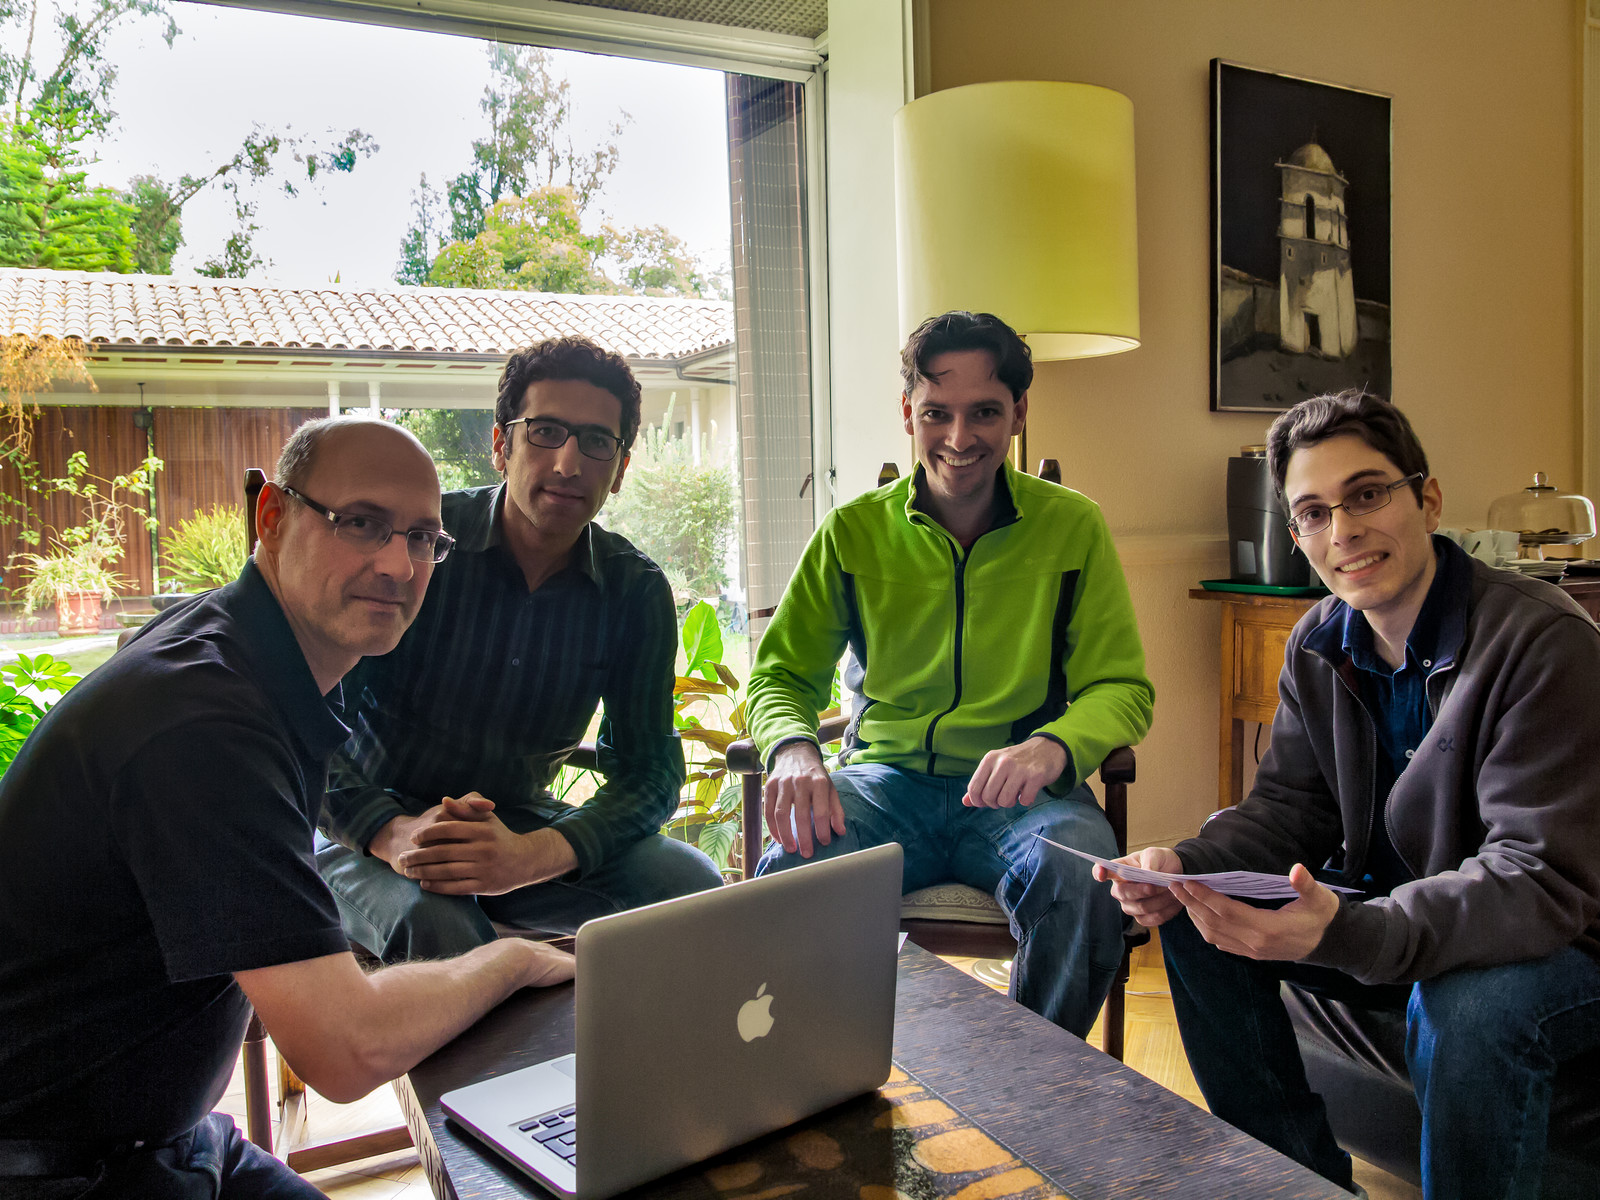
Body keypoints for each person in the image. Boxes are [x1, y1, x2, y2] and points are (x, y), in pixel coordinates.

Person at [0, 417, 574, 1200]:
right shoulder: (202, 720)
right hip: (58, 1172)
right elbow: (346, 1049)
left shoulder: (235, 652)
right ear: (271, 516)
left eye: (422, 538)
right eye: (361, 523)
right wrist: (511, 959)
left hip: (173, 1141)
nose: (398, 565)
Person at [1097, 390, 1600, 1199]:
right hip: (1403, 916)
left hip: (1561, 941)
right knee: (1199, 911)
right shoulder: (1319, 639)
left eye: (1366, 495)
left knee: (1469, 1007)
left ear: (1427, 499)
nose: (1344, 531)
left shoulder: (1541, 642)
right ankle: (1301, 1184)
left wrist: (1354, 930)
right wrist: (1185, 865)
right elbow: (1290, 809)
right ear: (1297, 536)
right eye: (1313, 513)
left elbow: (1537, 880)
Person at [744, 310, 1154, 1037]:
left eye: (985, 412)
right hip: (884, 784)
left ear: (1019, 413)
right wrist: (795, 748)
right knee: (794, 865)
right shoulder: (852, 531)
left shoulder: (1074, 527)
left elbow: (1121, 687)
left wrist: (1053, 747)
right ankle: (814, 1073)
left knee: (1083, 874)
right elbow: (780, 675)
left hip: (1025, 797)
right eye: (937, 413)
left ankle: (1035, 1081)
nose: (960, 439)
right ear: (909, 413)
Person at [317, 336, 721, 963]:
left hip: (516, 828)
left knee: (692, 890)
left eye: (597, 442)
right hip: (367, 828)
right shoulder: (418, 547)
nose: (568, 464)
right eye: (546, 432)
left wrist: (532, 856)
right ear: (501, 446)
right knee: (442, 930)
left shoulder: (632, 590)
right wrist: (392, 833)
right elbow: (308, 727)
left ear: (620, 469)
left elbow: (650, 772)